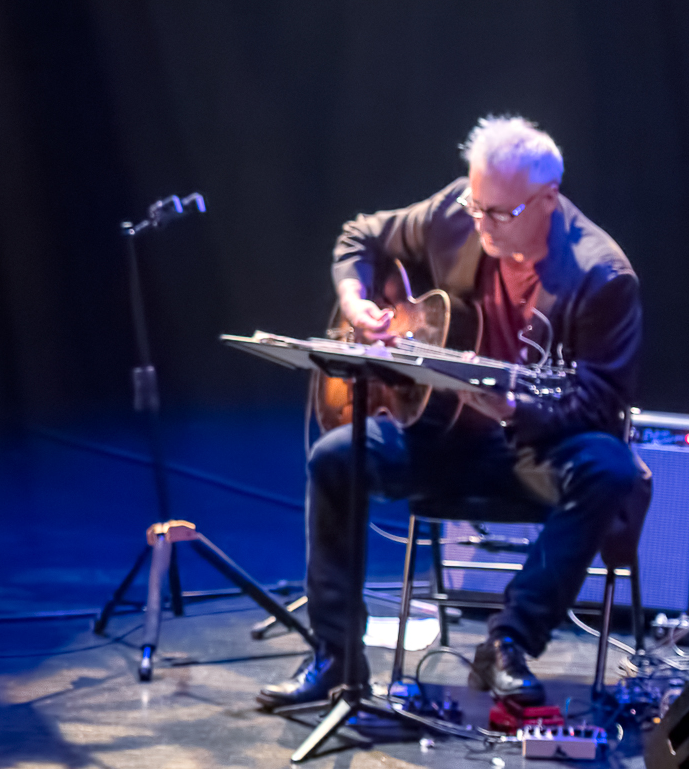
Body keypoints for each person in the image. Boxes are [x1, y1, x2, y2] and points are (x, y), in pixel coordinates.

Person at [257, 116, 643, 712]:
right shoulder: (458, 212)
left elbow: (599, 400)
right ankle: (335, 659)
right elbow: (360, 236)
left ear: (547, 199)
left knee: (609, 469)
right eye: (475, 203)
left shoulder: (601, 275)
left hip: (534, 447)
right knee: (336, 456)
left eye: (499, 213)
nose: (480, 222)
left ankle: (507, 644)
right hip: (442, 435)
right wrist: (356, 303)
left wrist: (514, 408)